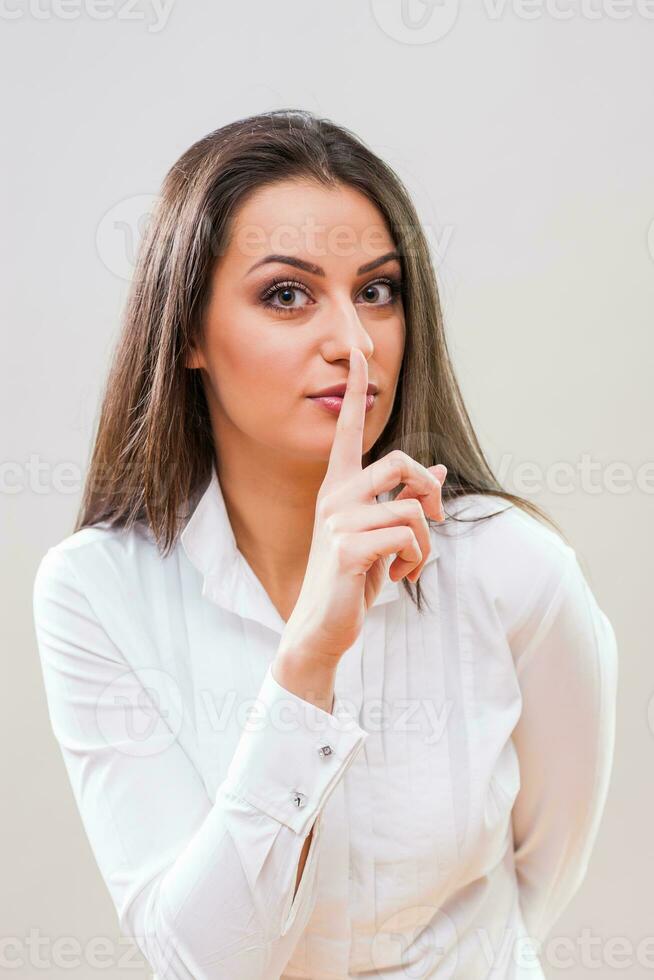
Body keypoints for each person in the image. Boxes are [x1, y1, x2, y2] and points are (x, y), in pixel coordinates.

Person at [32, 109, 618, 979]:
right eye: (287, 294)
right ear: (187, 332)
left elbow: (547, 867)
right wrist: (307, 658)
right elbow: (203, 963)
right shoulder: (95, 589)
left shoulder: (511, 565)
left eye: (377, 290)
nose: (353, 342)